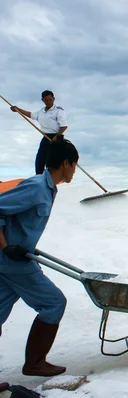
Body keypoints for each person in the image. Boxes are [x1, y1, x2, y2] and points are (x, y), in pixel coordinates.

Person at [0, 139, 79, 377]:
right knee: (54, 303)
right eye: (74, 165)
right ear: (66, 163)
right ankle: (35, 363)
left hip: (13, 260)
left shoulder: (48, 189)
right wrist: (6, 247)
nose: (74, 170)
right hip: (15, 262)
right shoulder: (36, 187)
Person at [10, 90, 68, 175]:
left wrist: (57, 136)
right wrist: (18, 109)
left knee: (52, 161)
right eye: (46, 100)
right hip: (46, 136)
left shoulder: (58, 110)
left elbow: (64, 126)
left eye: (50, 99)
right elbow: (31, 115)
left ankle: (52, 179)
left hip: (57, 137)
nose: (48, 102)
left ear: (54, 99)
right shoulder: (41, 111)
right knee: (40, 159)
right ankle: (39, 178)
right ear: (43, 100)